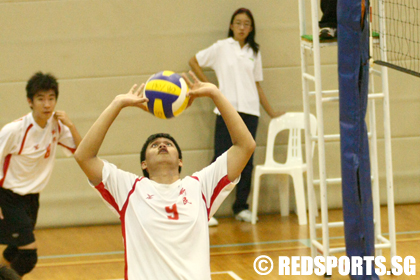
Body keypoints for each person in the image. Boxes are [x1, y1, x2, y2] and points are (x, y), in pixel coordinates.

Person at [74, 72, 255, 280]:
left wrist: (215, 93)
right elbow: (84, 156)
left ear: (180, 161)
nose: (162, 145)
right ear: (144, 164)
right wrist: (118, 103)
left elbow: (245, 145)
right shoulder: (128, 188)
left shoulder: (200, 186)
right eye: (154, 145)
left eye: (168, 144)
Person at [189, 8, 283, 225]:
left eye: (246, 24)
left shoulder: (254, 52)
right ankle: (206, 209)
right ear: (231, 26)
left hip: (250, 111)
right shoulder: (221, 47)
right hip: (226, 110)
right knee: (219, 159)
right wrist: (211, 87)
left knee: (246, 161)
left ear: (251, 28)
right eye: (238, 23)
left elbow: (256, 84)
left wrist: (271, 112)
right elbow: (193, 61)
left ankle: (241, 207)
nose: (242, 27)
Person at [0, 72, 82, 279]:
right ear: (30, 101)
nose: (47, 104)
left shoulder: (57, 126)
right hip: (9, 198)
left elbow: (83, 151)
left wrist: (71, 126)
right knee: (28, 256)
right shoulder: (14, 130)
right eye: (40, 98)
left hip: (32, 199)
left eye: (51, 98)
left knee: (14, 251)